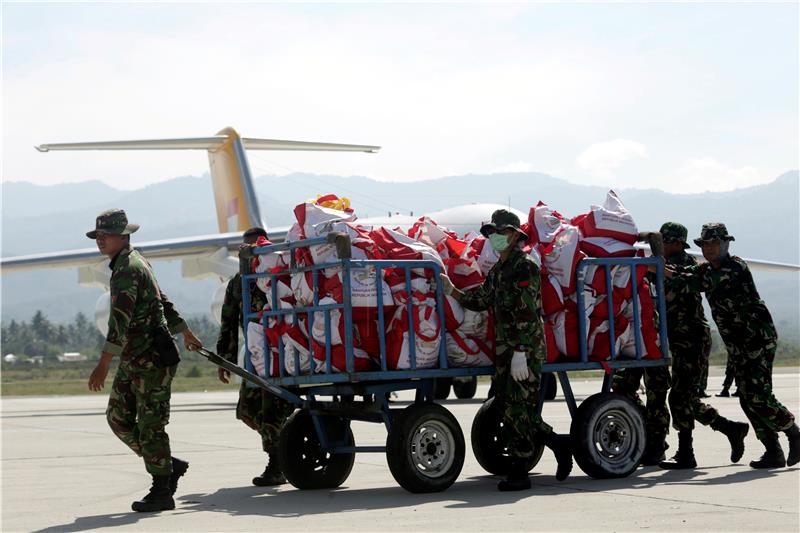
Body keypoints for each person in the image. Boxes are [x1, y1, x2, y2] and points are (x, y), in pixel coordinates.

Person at [441, 209, 572, 491]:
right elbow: (482, 300)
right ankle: (558, 443)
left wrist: (522, 351)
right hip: (506, 348)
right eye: (492, 234)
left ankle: (519, 472)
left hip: (524, 346)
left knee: (518, 406)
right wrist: (452, 291)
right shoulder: (499, 270)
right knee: (507, 406)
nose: (495, 238)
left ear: (514, 236)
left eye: (501, 233)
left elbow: (526, 310)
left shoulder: (524, 266)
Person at [86, 209, 203, 512]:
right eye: (98, 236)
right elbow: (162, 300)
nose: (101, 240)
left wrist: (102, 365)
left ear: (124, 237)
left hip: (151, 358)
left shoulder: (129, 268)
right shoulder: (131, 263)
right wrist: (186, 332)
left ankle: (161, 490)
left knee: (151, 425)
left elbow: (119, 321)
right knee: (118, 418)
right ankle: (165, 464)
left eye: (106, 235)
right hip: (134, 357)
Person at [665, 223, 800, 468]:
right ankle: (773, 451)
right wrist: (658, 270)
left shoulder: (734, 267)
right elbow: (685, 278)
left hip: (756, 339)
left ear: (726, 244)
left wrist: (662, 271)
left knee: (757, 395)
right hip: (738, 343)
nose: (709, 249)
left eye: (715, 244)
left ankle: (793, 431)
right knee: (747, 398)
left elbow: (693, 282)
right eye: (705, 245)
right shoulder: (706, 269)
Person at [653, 222, 749, 469]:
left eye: (665, 241)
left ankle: (687, 453)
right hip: (681, 339)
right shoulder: (671, 264)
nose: (662, 246)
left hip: (692, 338)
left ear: (675, 242)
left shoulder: (686, 264)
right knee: (684, 398)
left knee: (680, 397)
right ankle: (730, 429)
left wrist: (655, 269)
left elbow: (674, 280)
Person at [216, 227, 295, 486]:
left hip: (282, 355)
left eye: (255, 249)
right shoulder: (239, 283)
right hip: (256, 357)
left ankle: (277, 462)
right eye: (245, 250)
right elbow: (227, 322)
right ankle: (283, 446)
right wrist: (224, 359)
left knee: (271, 410)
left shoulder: (280, 277)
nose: (249, 254)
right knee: (247, 410)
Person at [611, 365, 671, 466]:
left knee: (656, 398)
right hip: (631, 352)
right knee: (621, 386)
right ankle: (648, 436)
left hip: (655, 353)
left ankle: (657, 445)